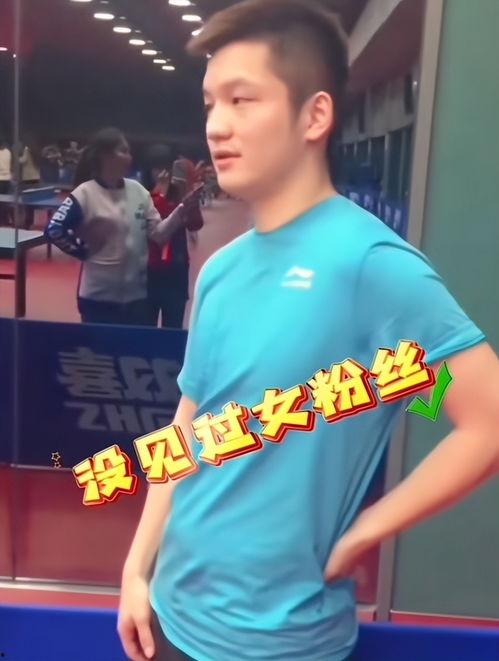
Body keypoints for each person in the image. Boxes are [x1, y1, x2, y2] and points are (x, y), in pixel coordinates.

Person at [118, 1, 499, 660]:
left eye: (242, 100)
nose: (217, 125)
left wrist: (364, 532)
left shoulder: (370, 266)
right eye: (210, 103)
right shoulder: (221, 270)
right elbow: (189, 425)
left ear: (314, 116)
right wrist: (136, 568)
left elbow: (486, 423)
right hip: (169, 617)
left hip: (283, 641)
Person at [45, 127, 202, 326]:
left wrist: (182, 210)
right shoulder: (84, 193)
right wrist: (82, 251)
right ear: (106, 156)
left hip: (136, 299)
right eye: (123, 151)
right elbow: (54, 229)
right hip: (97, 298)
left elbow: (159, 235)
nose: (130, 156)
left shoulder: (138, 191)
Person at [143, 145, 204, 329]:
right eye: (156, 168)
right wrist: (160, 194)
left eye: (166, 167)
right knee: (146, 328)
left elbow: (195, 224)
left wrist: (188, 198)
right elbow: (156, 227)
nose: (162, 173)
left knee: (173, 326)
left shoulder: (179, 193)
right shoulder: (142, 193)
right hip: (149, 271)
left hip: (176, 269)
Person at [0, 138, 12, 225]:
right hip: (7, 179)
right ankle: (6, 220)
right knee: (5, 202)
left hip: (0, 179)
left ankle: (2, 220)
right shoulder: (8, 152)